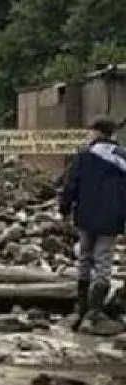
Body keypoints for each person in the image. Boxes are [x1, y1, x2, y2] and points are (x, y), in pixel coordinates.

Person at [59, 116, 126, 333]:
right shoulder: (122, 158)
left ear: (97, 133)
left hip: (86, 217)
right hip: (111, 219)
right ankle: (94, 313)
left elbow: (71, 184)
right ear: (113, 134)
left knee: (85, 259)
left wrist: (64, 208)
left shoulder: (84, 156)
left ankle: (81, 309)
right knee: (104, 262)